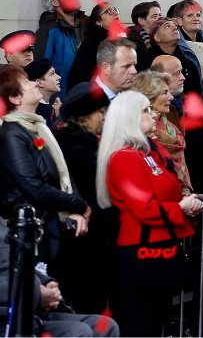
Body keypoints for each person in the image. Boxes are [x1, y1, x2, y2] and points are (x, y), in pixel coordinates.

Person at [0, 162, 120, 337]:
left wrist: (46, 282)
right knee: (79, 332)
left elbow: (20, 263)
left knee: (105, 326)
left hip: (26, 310)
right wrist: (37, 294)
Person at [98, 90, 203, 336]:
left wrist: (184, 203)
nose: (152, 115)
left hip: (158, 244)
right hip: (142, 248)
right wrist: (180, 208)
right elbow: (143, 208)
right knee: (141, 322)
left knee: (157, 320)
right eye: (145, 111)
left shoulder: (146, 152)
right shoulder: (124, 158)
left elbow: (167, 187)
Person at [0, 65, 90, 264]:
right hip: (33, 231)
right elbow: (34, 186)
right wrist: (78, 204)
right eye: (26, 83)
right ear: (15, 99)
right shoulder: (11, 135)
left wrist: (76, 208)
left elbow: (63, 174)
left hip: (50, 224)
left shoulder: (36, 127)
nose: (34, 83)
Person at [50, 82, 114, 316]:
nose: (104, 117)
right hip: (85, 244)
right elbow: (96, 197)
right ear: (84, 116)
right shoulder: (79, 151)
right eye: (100, 112)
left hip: (89, 240)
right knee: (87, 305)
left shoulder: (82, 146)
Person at [131, 70, 192, 194]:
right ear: (149, 98)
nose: (171, 97)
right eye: (165, 93)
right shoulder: (138, 132)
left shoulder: (170, 119)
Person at [35, 0, 86, 95]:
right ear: (55, 2)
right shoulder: (48, 32)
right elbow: (41, 72)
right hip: (60, 102)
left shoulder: (87, 28)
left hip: (85, 100)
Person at [66, 2, 121, 88]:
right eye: (108, 11)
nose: (114, 13)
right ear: (98, 22)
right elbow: (80, 77)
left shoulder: (116, 41)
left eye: (115, 10)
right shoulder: (93, 43)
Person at [139, 18, 200, 95]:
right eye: (167, 26)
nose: (175, 28)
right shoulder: (146, 64)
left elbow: (196, 95)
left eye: (175, 25)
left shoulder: (189, 64)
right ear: (157, 37)